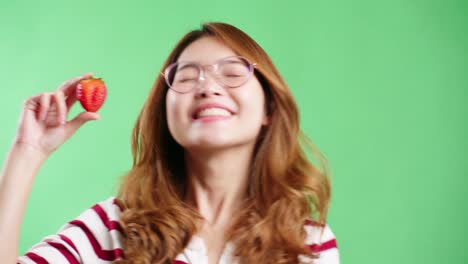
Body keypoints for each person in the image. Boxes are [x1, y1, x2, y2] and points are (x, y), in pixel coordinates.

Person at [0, 22, 340, 264]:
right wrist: (27, 152)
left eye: (233, 73)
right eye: (188, 77)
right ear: (166, 115)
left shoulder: (307, 244)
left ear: (268, 109)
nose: (208, 87)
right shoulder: (113, 225)